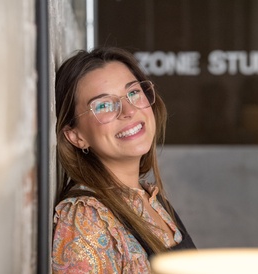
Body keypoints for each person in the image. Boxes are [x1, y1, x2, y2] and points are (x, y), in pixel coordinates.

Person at [52, 47, 195, 273]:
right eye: (104, 105)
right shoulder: (86, 220)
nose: (128, 110)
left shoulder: (150, 198)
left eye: (133, 93)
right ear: (76, 136)